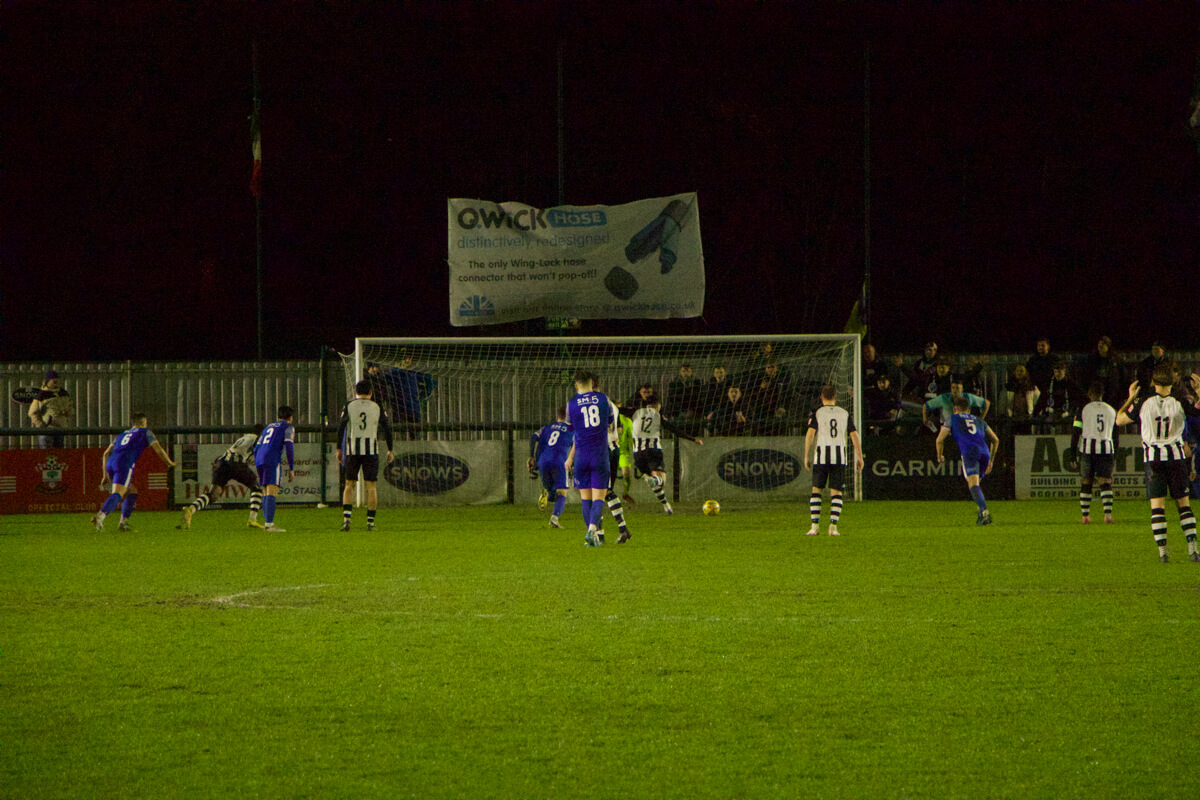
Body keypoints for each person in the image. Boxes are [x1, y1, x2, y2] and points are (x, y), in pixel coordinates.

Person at [1114, 371, 1197, 563]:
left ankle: (1163, 553)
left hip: (1153, 460)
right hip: (1176, 459)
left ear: (1153, 382)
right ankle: (1193, 549)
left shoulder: (1144, 402)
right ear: (1172, 383)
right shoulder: (1180, 402)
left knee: (1157, 508)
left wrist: (1130, 398)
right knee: (1184, 505)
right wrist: (1199, 393)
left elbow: (1118, 419)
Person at [90, 412, 176, 532]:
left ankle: (123, 522)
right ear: (143, 423)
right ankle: (100, 516)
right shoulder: (145, 432)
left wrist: (105, 475)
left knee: (131, 490)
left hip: (111, 462)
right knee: (118, 494)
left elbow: (105, 454)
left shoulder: (122, 434)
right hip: (124, 464)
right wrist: (169, 462)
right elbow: (159, 450)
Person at [803, 384, 865, 536]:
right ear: (835, 397)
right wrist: (859, 456)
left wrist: (806, 455)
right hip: (839, 458)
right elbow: (854, 435)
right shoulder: (844, 413)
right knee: (836, 493)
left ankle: (814, 527)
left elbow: (810, 434)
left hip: (821, 457)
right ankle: (833, 527)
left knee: (816, 490)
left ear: (821, 397)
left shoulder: (817, 413)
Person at [179, 424, 266, 530]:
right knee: (256, 487)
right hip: (235, 464)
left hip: (220, 463)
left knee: (213, 495)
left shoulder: (244, 437)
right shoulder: (257, 438)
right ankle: (252, 520)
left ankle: (191, 509)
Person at [630, 394, 703, 517]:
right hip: (653, 450)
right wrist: (692, 439)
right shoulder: (658, 416)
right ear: (658, 405)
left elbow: (621, 410)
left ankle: (665, 505)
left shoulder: (635, 413)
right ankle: (654, 481)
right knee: (661, 481)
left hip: (637, 453)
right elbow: (674, 429)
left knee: (653, 484)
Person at [564, 370, 613, 547]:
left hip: (581, 456)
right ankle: (593, 529)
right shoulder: (603, 399)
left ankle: (591, 539)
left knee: (586, 498)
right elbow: (609, 421)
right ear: (592, 382)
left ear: (576, 385)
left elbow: (571, 430)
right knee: (599, 496)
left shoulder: (571, 404)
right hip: (599, 455)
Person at [337, 381, 395, 532]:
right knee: (371, 486)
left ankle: (346, 520)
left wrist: (339, 448)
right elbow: (387, 429)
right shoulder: (377, 407)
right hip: (371, 451)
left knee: (349, 484)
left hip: (352, 451)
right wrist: (390, 449)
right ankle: (370, 523)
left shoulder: (349, 405)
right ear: (370, 393)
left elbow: (341, 427)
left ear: (356, 392)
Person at [936, 395, 1000, 526]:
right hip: (985, 452)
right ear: (969, 410)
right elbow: (996, 439)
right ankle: (980, 515)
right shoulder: (979, 420)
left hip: (970, 452)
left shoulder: (952, 418)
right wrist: (991, 460)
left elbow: (939, 440)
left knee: (973, 485)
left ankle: (984, 512)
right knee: (976, 484)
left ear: (955, 409)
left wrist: (939, 455)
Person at [1067, 382, 1117, 525]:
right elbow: (1116, 434)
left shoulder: (1083, 409)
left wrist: (1072, 453)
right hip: (1107, 449)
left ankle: (1085, 516)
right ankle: (1107, 515)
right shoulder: (1111, 410)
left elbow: (1076, 431)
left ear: (1090, 395)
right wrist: (1116, 453)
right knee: (1105, 482)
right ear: (1102, 395)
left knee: (1086, 481)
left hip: (1088, 449)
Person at [365, 356, 437, 439]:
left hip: (410, 409)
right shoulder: (394, 373)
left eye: (410, 359)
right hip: (400, 409)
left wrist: (422, 394)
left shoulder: (414, 373)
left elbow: (431, 382)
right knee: (400, 433)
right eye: (406, 359)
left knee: (413, 432)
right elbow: (382, 384)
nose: (408, 361)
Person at [529, 407, 574, 529]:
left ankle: (547, 495)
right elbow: (577, 447)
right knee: (562, 493)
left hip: (543, 461)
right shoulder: (572, 429)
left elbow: (533, 437)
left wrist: (531, 457)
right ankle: (554, 519)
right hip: (559, 461)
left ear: (557, 416)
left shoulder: (547, 427)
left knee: (553, 494)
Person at [254, 406, 295, 533]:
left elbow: (256, 447)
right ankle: (269, 524)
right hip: (271, 458)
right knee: (272, 489)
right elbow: (289, 447)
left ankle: (267, 524)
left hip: (260, 458)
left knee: (266, 490)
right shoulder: (288, 427)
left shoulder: (267, 427)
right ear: (290, 418)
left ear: (277, 417)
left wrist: (258, 460)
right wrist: (291, 468)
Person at [923, 375, 989, 429]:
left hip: (964, 428)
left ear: (962, 389)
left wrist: (981, 419)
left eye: (957, 388)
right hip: (947, 427)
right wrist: (925, 419)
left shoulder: (969, 397)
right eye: (953, 388)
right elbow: (926, 405)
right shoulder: (943, 398)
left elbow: (987, 403)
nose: (955, 390)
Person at [28, 370, 72, 448]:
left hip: (61, 429)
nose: (56, 383)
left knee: (59, 454)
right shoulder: (42, 395)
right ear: (46, 381)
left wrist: (67, 413)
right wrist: (41, 426)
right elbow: (32, 412)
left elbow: (70, 407)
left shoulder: (63, 393)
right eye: (53, 381)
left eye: (57, 381)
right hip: (48, 430)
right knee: (46, 454)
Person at [1032, 360, 1079, 432]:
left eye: (1059, 372)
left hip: (1066, 414)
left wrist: (1070, 412)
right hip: (1051, 413)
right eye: (1055, 372)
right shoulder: (1049, 383)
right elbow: (1042, 399)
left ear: (1064, 371)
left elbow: (1075, 400)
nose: (1057, 374)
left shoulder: (1070, 384)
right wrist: (1034, 413)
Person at [1078, 335, 1124, 408]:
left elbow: (1122, 377)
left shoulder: (1115, 360)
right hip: (1096, 391)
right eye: (1099, 343)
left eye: (1103, 343)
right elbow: (1085, 375)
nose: (1100, 345)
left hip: (1111, 393)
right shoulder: (1092, 359)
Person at [665, 363, 705, 437]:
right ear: (680, 372)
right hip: (679, 411)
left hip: (693, 410)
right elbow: (672, 399)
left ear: (691, 372)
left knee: (693, 429)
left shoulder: (697, 383)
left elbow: (698, 397)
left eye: (688, 371)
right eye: (684, 371)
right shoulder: (674, 384)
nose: (686, 373)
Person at [1005, 364, 1038, 432]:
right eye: (1017, 371)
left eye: (1021, 371)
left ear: (1025, 373)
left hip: (1026, 416)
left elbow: (1038, 398)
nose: (1019, 373)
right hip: (1014, 416)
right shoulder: (1010, 386)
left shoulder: (1031, 386)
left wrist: (1033, 411)